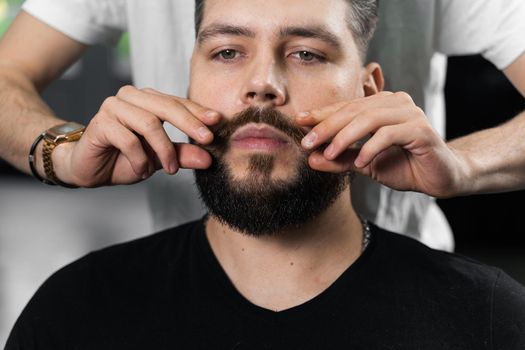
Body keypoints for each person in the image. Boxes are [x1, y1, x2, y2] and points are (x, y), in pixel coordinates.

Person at [5, 1, 525, 348]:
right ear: (189, 78)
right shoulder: (77, 311)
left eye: (306, 53)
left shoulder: (488, 320)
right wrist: (62, 154)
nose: (262, 85)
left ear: (369, 89)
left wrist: (461, 165)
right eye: (227, 51)